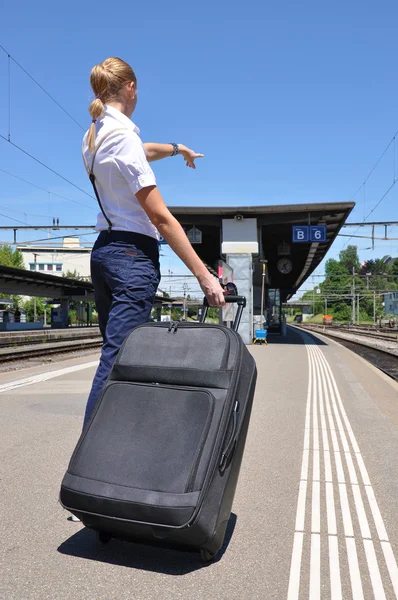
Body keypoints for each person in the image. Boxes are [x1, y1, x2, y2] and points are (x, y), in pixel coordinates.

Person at [81, 57, 226, 428]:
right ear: (130, 87)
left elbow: (144, 150)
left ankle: (115, 439)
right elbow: (161, 218)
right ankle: (91, 450)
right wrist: (204, 276)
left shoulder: (95, 135)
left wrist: (179, 148)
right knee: (117, 360)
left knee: (118, 356)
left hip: (105, 254)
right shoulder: (122, 137)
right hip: (132, 257)